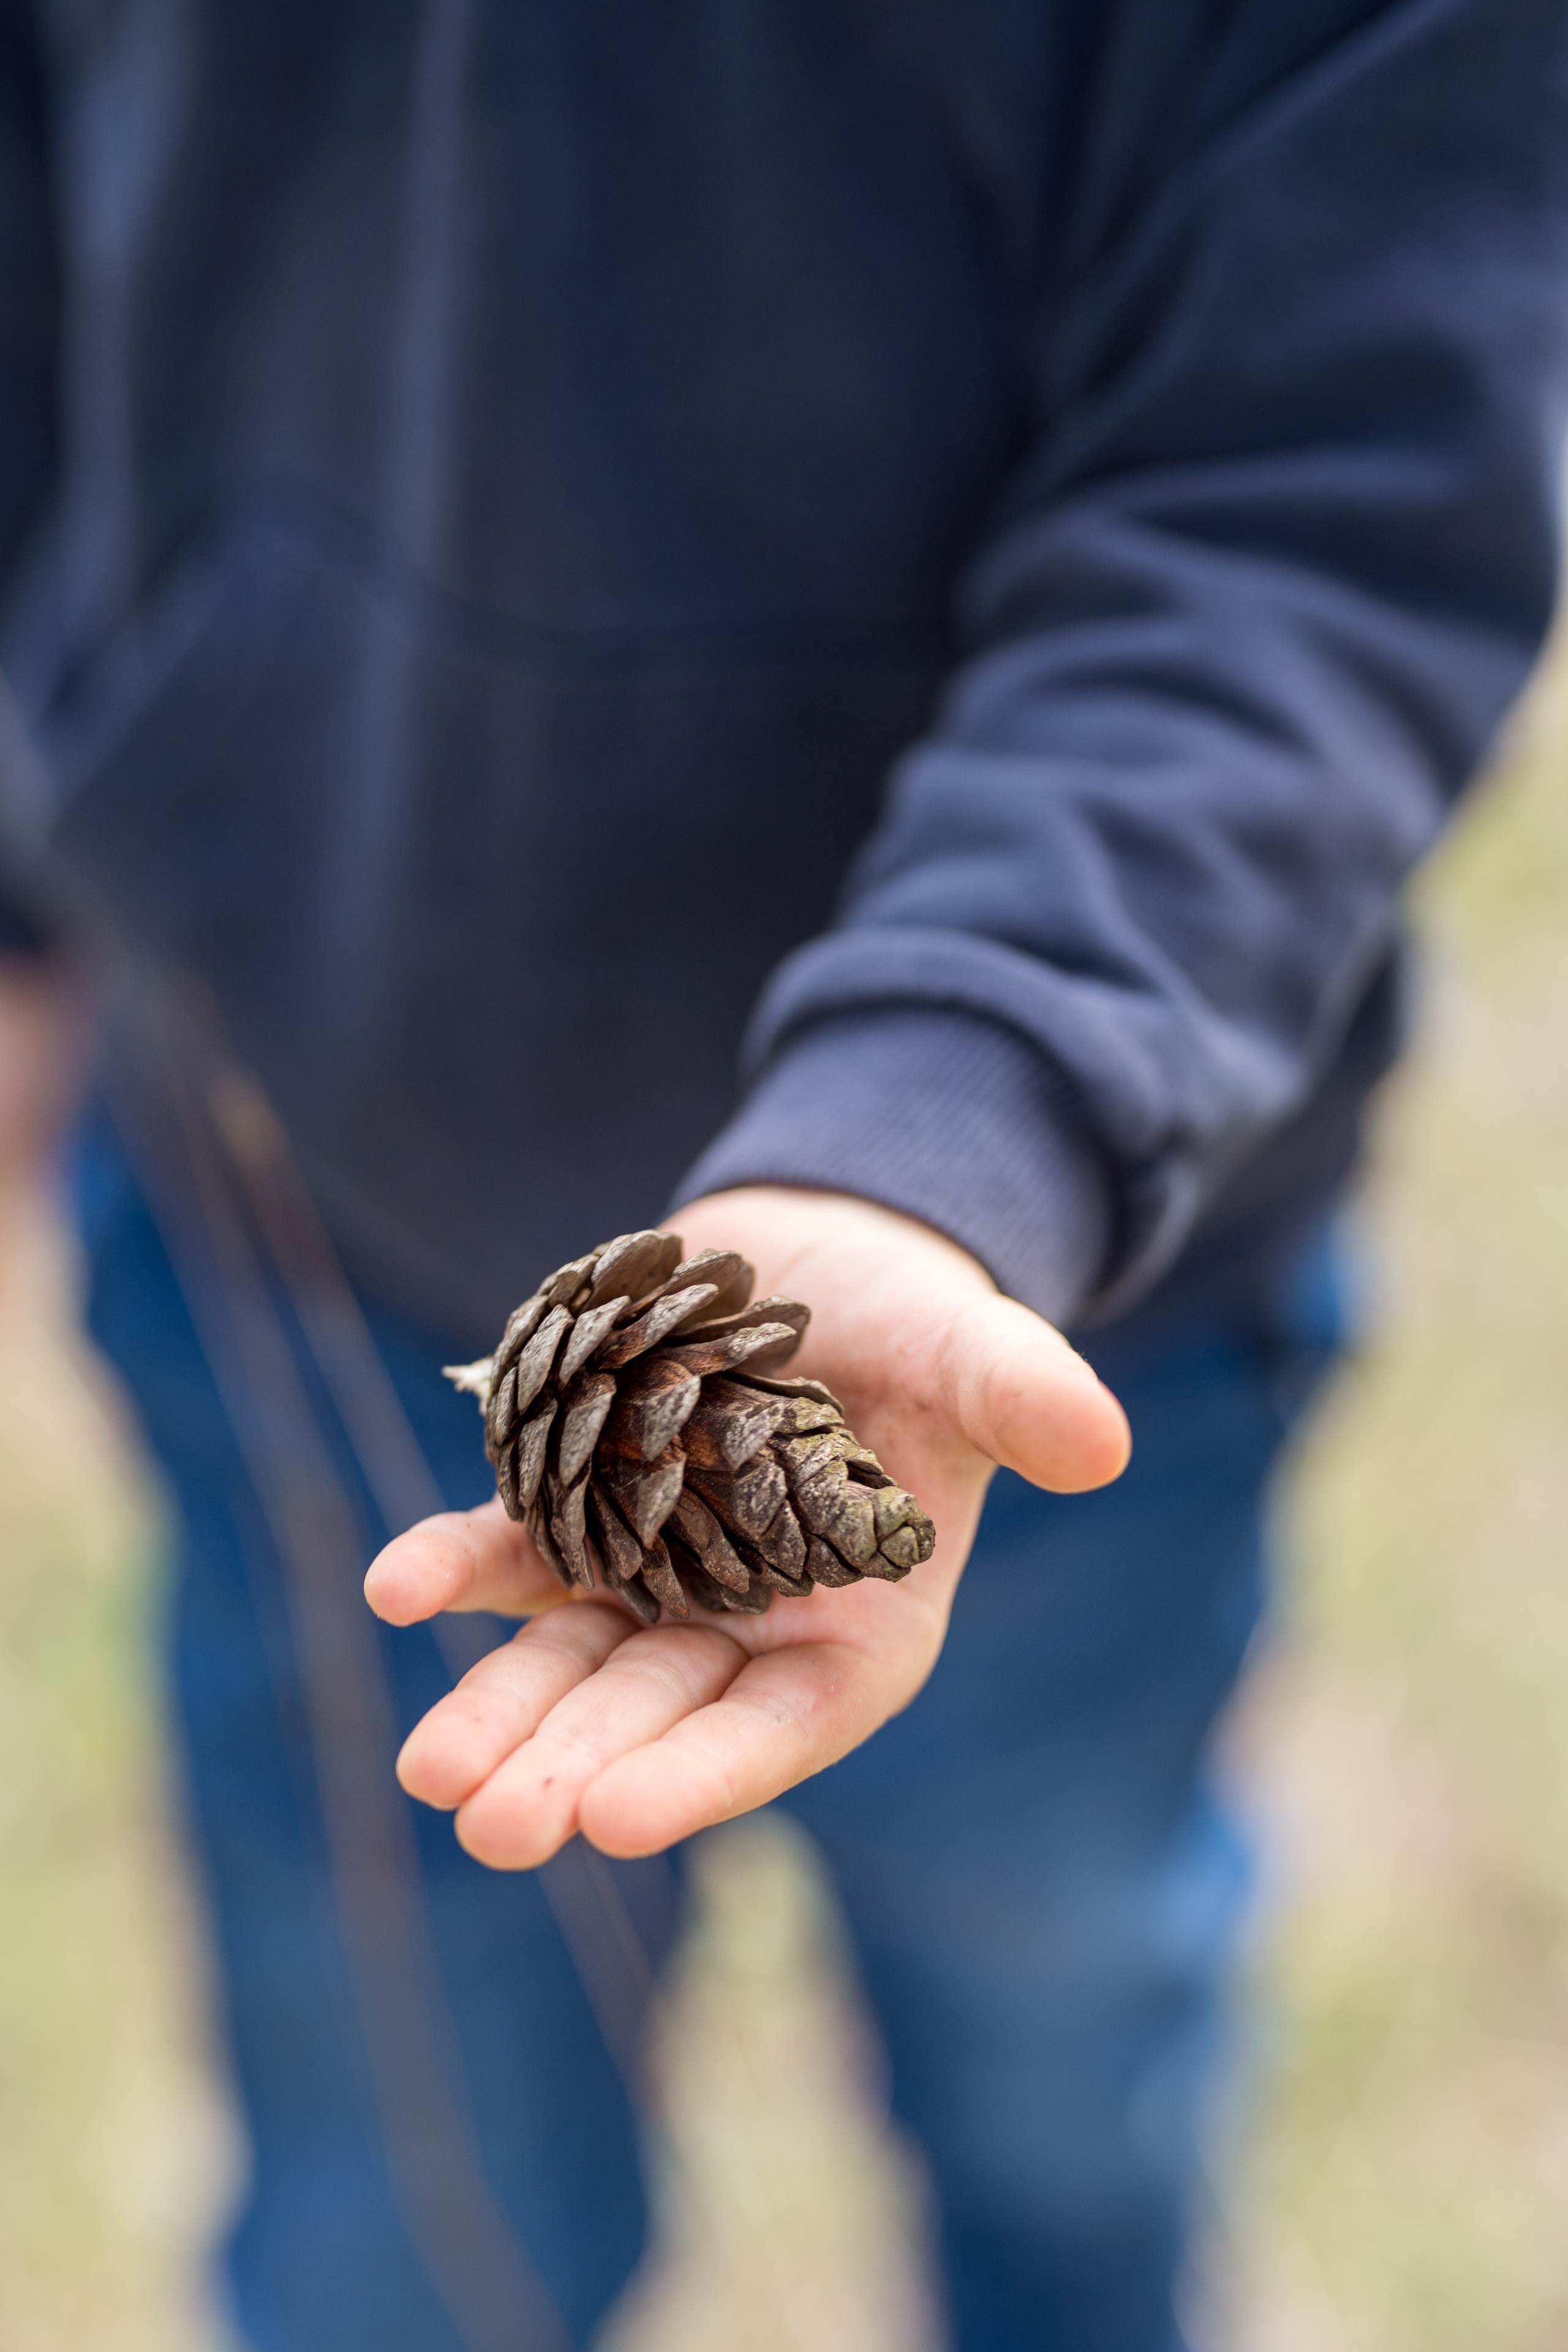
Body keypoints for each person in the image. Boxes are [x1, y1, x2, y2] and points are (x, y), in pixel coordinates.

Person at [2, 4, 1566, 2347]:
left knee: (1067, 2043)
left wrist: (941, 1133)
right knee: (395, 2186)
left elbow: (1327, 486)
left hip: (1050, 1307)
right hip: (292, 1180)